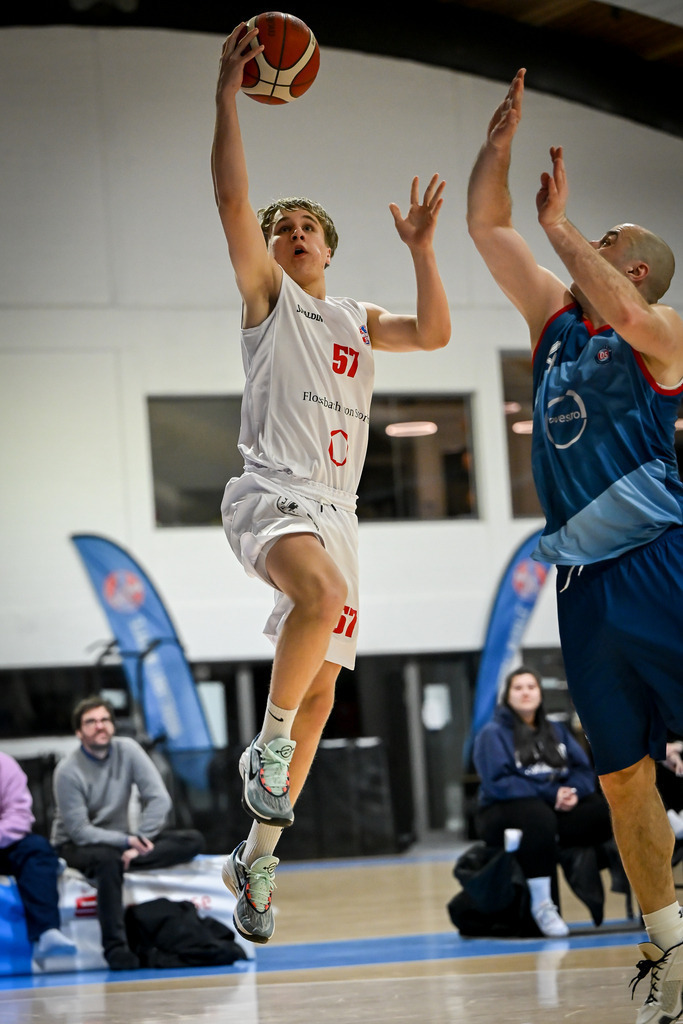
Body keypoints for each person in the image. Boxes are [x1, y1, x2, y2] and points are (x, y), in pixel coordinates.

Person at [212, 23, 451, 944]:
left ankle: (257, 861)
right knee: (316, 598)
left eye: (305, 225)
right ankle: (263, 748)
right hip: (273, 491)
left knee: (318, 698)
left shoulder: (356, 316)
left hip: (338, 512)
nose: (292, 230)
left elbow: (432, 336)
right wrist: (225, 97)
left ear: (330, 247)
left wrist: (425, 247)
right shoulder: (270, 302)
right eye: (281, 227)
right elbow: (230, 194)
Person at [467, 67, 683, 1022]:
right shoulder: (554, 325)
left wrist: (561, 228)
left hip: (658, 559)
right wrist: (498, 149)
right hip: (583, 586)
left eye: (601, 245)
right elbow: (485, 226)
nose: (582, 247)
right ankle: (670, 956)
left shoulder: (660, 332)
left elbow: (631, 317)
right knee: (622, 775)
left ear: (631, 267)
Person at [51, 697, 205, 970]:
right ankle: (116, 949)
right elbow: (80, 831)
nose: (100, 726)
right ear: (78, 732)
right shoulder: (67, 771)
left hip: (125, 841)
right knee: (108, 860)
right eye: (91, 722)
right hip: (75, 844)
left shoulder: (128, 750)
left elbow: (159, 800)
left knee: (192, 840)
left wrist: (138, 842)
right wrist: (126, 841)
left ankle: (129, 859)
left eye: (105, 720)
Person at [473, 666, 613, 937]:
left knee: (601, 809)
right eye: (518, 688)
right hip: (501, 809)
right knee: (537, 817)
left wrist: (571, 791)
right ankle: (543, 905)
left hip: (551, 809)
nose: (525, 692)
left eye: (531, 687)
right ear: (507, 696)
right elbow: (499, 783)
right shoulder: (492, 734)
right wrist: (552, 794)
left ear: (540, 693)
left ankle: (548, 839)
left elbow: (583, 770)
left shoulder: (557, 730)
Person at [0, 751, 77, 965]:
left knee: (37, 848)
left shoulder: (4, 764)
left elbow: (19, 817)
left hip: (2, 841)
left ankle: (47, 931)